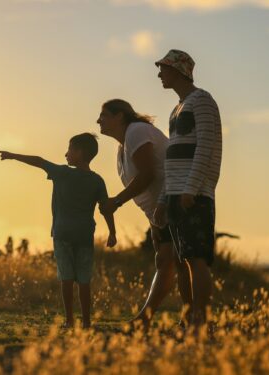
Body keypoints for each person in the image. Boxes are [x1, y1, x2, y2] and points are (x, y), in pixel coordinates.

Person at [0, 133, 117, 328]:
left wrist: (12, 155)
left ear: (79, 152)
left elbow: (39, 161)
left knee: (66, 278)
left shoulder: (62, 173)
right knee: (84, 280)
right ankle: (86, 322)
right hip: (85, 236)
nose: (66, 154)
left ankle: (70, 320)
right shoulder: (97, 180)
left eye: (69, 150)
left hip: (62, 234)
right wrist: (113, 232)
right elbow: (106, 208)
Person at [97, 99, 192, 327]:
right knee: (171, 261)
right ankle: (188, 318)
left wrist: (117, 201)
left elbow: (148, 174)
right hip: (162, 208)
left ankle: (150, 319)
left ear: (119, 116)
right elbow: (150, 182)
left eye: (104, 115)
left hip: (177, 200)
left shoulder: (137, 131)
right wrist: (153, 223)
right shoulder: (123, 145)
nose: (98, 120)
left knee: (175, 261)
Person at [153, 49, 222, 328]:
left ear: (179, 71)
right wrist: (162, 200)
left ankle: (200, 321)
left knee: (195, 258)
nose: (159, 74)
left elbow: (207, 147)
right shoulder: (176, 109)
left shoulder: (202, 100)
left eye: (164, 69)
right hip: (174, 195)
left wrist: (191, 189)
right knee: (181, 261)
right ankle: (188, 317)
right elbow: (172, 158)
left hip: (193, 195)